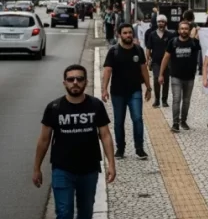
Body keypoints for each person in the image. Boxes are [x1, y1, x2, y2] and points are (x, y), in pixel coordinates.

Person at [34, 64, 116, 219]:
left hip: (89, 169)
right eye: (71, 79)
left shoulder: (96, 105)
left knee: (86, 212)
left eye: (79, 79)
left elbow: (105, 135)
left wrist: (111, 163)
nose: (75, 82)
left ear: (86, 82)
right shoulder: (54, 108)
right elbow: (44, 140)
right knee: (64, 212)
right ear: (64, 83)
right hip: (62, 169)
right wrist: (36, 168)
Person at [101, 23, 151, 160]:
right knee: (118, 122)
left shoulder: (138, 50)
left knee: (137, 119)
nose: (128, 35)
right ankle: (120, 148)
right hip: (117, 93)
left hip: (135, 91)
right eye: (125, 33)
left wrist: (149, 87)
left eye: (130, 32)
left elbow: (144, 69)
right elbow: (107, 71)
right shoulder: (113, 51)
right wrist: (104, 89)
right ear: (119, 35)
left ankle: (139, 148)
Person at [159, 21, 202, 132]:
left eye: (186, 28)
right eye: (182, 28)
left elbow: (207, 46)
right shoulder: (172, 42)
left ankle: (183, 120)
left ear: (189, 30)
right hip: (175, 76)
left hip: (190, 77)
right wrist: (160, 74)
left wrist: (197, 30)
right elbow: (166, 58)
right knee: (176, 99)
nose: (184, 30)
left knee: (186, 100)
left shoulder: (194, 43)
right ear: (178, 30)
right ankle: (175, 123)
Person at [145, 15, 174, 107]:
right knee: (157, 79)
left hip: (167, 62)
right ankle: (157, 99)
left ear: (165, 23)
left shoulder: (170, 35)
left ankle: (164, 100)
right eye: (159, 22)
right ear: (157, 23)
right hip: (156, 61)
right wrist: (148, 59)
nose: (160, 23)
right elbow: (148, 48)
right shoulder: (152, 34)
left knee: (166, 80)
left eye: (162, 21)